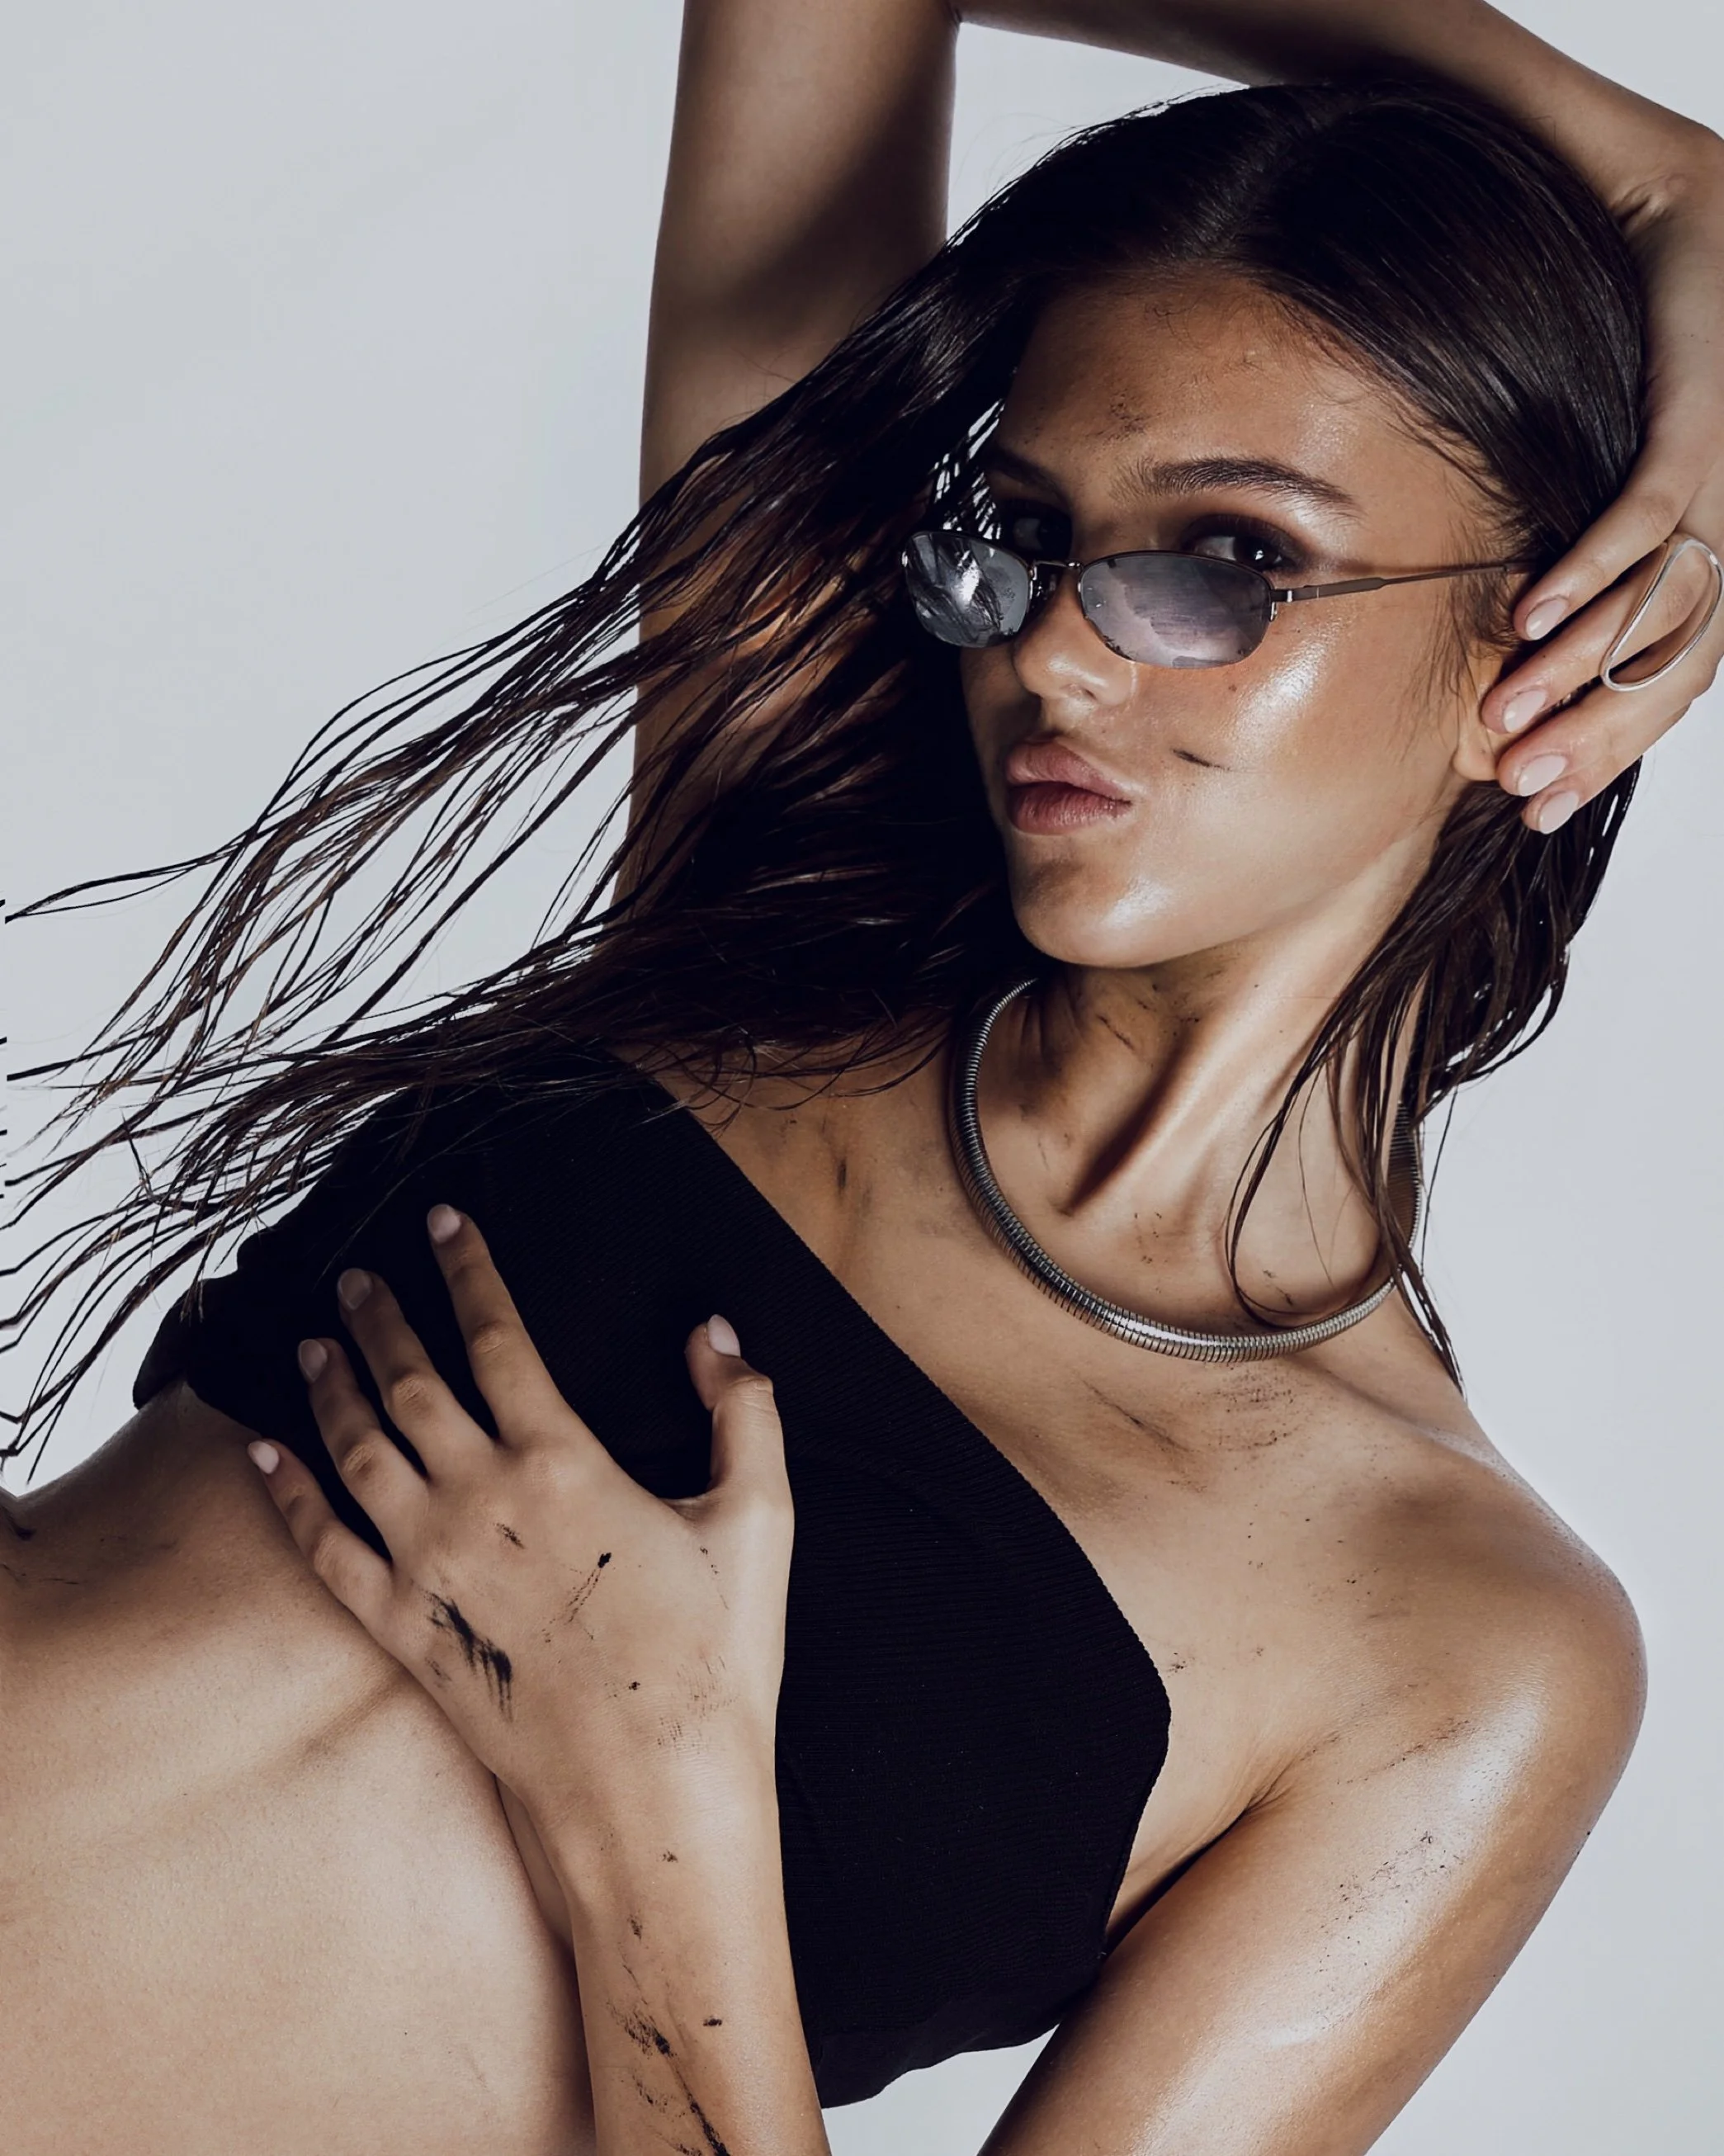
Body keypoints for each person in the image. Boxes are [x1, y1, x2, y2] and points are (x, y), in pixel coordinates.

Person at [5, 6, 1723, 2153]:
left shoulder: (1457, 1645)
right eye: (1015, 534)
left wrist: (668, 1802)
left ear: (1564, 638)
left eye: (1221, 564)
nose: (1055, 653)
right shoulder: (783, 893)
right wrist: (1656, 168)